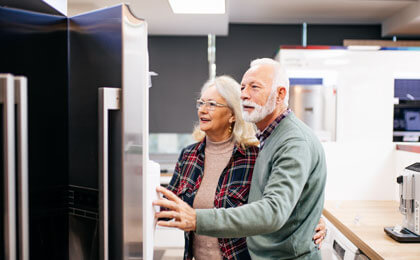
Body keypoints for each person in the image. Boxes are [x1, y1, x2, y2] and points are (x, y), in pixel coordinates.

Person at [154, 58, 327, 260]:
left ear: (232, 115)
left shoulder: (271, 148)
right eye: (243, 87)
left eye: (254, 87)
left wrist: (313, 217)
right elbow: (170, 205)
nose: (244, 94)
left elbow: (275, 207)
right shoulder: (267, 139)